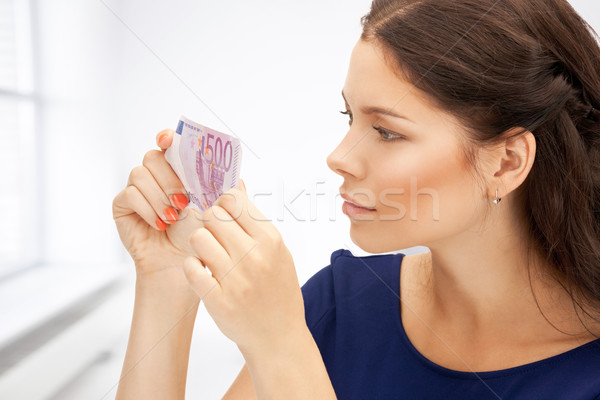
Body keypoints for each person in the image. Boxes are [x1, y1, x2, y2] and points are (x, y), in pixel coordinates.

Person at [111, 0, 600, 398]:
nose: (338, 157)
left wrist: (281, 348)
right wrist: (166, 278)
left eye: (386, 131)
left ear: (507, 162)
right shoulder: (339, 305)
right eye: (350, 118)